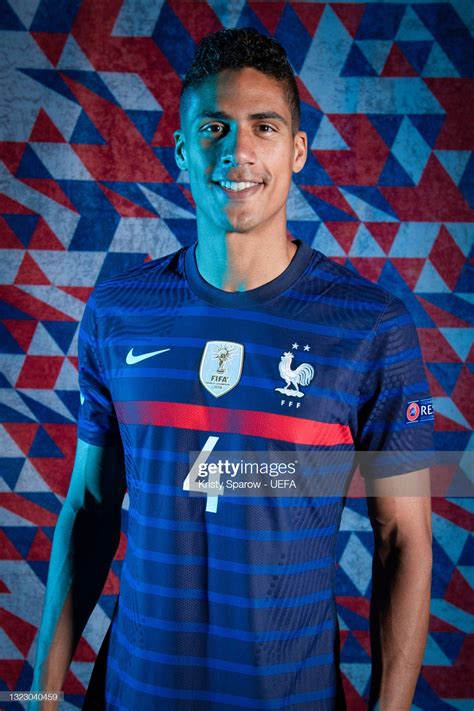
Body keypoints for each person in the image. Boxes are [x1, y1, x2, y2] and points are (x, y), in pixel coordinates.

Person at [31, 27, 434, 711]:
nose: (238, 150)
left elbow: (405, 538)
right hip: (136, 692)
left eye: (264, 126)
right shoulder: (117, 312)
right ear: (185, 151)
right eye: (214, 127)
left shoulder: (372, 328)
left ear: (297, 150)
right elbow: (90, 506)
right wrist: (36, 693)